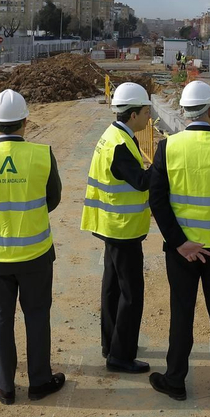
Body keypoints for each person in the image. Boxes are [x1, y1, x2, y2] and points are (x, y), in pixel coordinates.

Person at [0, 89, 66, 405]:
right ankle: (40, 381)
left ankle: (5, 386)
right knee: (37, 316)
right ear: (25, 122)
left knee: (0, 319)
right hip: (35, 255)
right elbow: (54, 199)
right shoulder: (42, 154)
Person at [146, 79, 210, 402]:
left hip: (181, 253)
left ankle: (175, 379)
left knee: (182, 314)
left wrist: (180, 242)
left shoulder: (168, 147)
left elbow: (157, 201)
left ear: (185, 112)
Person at [84, 81, 155, 373]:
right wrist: (164, 165)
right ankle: (121, 356)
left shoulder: (114, 135)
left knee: (112, 287)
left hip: (111, 225)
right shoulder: (121, 146)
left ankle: (111, 343)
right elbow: (140, 181)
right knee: (131, 293)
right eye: (147, 111)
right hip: (122, 228)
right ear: (134, 114)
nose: (150, 117)